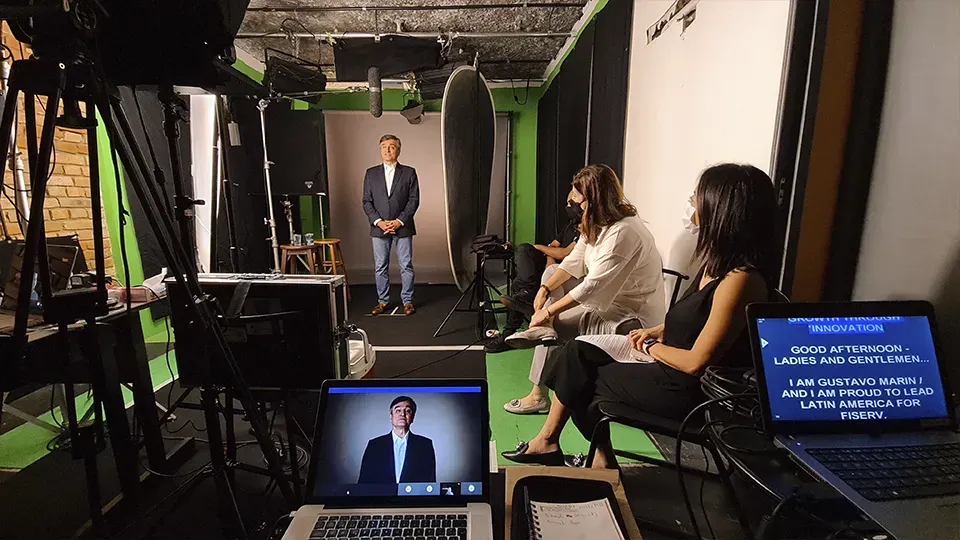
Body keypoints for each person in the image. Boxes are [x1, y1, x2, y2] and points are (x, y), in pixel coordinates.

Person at [501, 163, 779, 468]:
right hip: (665, 356)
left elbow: (697, 362)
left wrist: (649, 346)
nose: (690, 204)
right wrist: (658, 331)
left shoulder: (740, 280)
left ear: (721, 209)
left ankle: (594, 458)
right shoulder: (715, 266)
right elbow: (702, 323)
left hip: (684, 386)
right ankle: (554, 444)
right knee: (575, 353)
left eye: (696, 197)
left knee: (582, 380)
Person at [501, 164, 666, 415]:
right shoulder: (598, 223)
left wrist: (548, 312)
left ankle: (538, 392)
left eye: (576, 196)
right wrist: (544, 289)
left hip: (629, 317)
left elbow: (592, 287)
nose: (572, 200)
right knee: (550, 273)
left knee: (551, 324)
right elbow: (573, 261)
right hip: (605, 303)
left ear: (593, 198)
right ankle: (545, 330)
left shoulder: (624, 231)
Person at [484, 192, 582, 353]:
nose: (568, 206)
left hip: (568, 272)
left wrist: (540, 248)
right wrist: (549, 259)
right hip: (552, 267)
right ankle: (526, 294)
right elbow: (554, 245)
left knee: (524, 277)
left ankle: (510, 330)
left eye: (572, 202)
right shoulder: (570, 225)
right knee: (524, 253)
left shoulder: (586, 227)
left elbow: (565, 253)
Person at [362, 135, 420, 316]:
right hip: (379, 227)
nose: (387, 150)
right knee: (380, 266)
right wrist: (379, 222)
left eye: (392, 147)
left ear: (398, 150)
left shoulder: (409, 172)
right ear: (380, 150)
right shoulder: (371, 173)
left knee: (406, 265)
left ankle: (408, 301)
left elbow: (413, 200)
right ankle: (383, 301)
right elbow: (366, 201)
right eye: (384, 147)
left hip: (402, 226)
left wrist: (398, 221)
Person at [358, 396, 437, 484]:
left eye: (407, 411)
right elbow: (363, 483)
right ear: (391, 417)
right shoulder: (374, 445)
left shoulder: (425, 445)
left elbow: (430, 484)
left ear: (412, 418)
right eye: (398, 410)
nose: (402, 414)